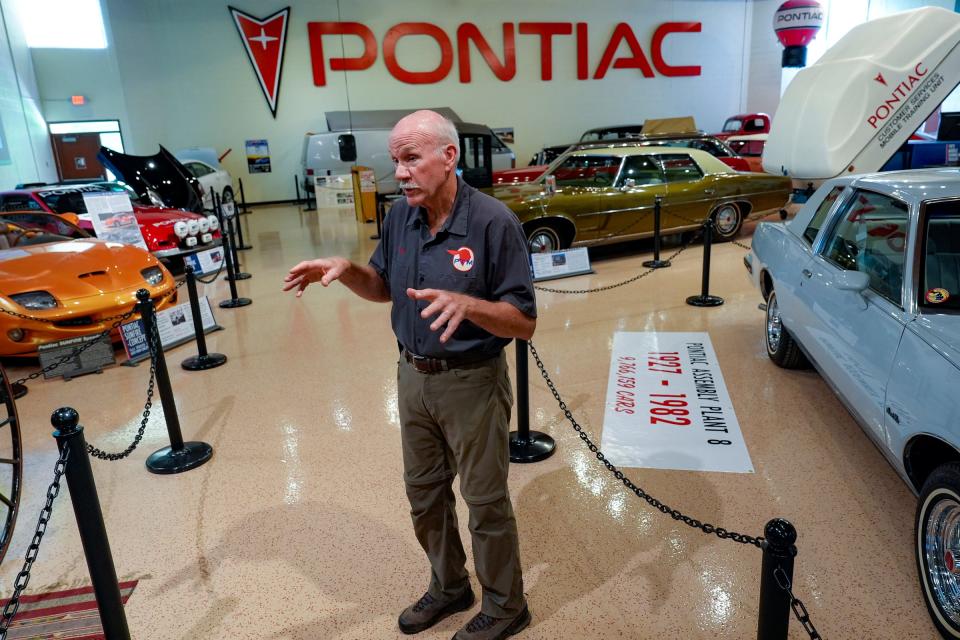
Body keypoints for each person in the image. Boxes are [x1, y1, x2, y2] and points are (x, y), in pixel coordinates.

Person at [283, 110, 536, 640]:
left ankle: (507, 606)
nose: (399, 172)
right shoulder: (401, 216)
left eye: (411, 158)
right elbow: (384, 288)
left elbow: (524, 322)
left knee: (485, 500)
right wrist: (350, 272)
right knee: (424, 493)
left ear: (449, 157)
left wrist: (469, 305)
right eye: (396, 160)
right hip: (412, 377)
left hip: (472, 381)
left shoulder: (493, 222)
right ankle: (450, 587)